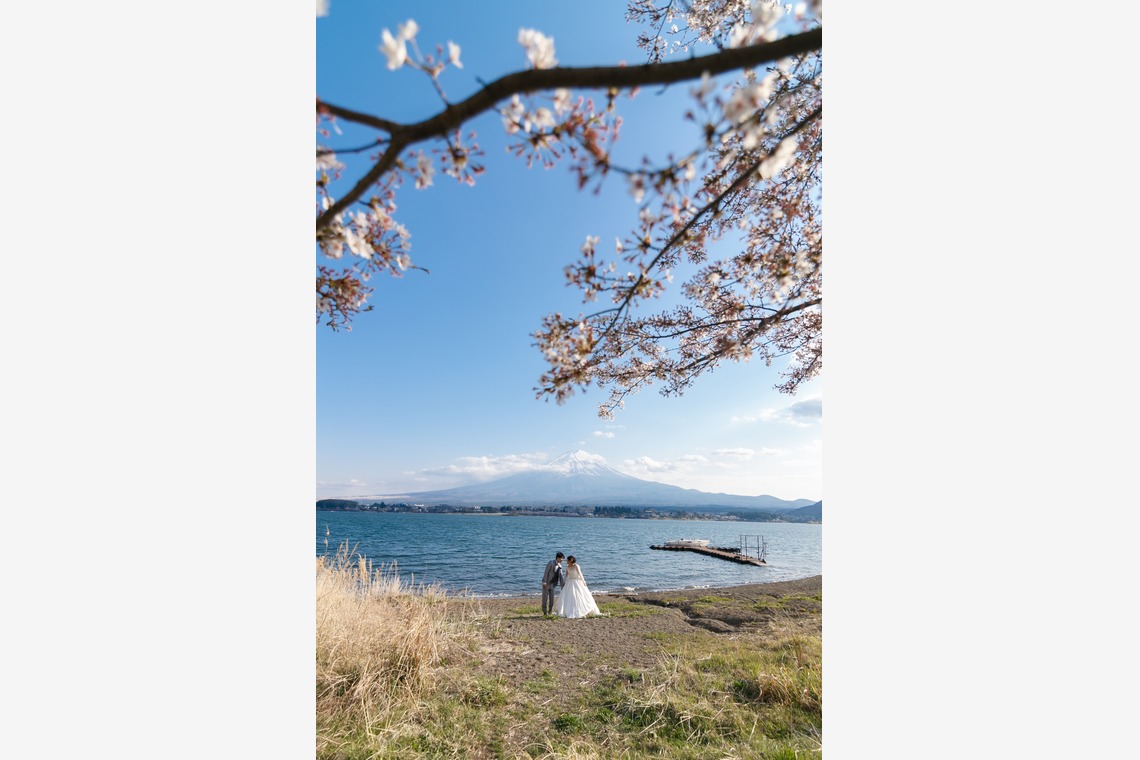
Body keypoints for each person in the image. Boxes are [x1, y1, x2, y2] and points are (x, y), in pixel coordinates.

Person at [541, 551, 564, 616]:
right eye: (562, 558)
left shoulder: (560, 566)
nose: (562, 560)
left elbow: (561, 576)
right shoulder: (551, 563)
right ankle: (544, 611)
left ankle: (550, 611)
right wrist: (544, 582)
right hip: (547, 583)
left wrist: (562, 585)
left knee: (552, 598)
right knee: (545, 598)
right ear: (558, 558)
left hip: (553, 584)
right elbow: (546, 572)